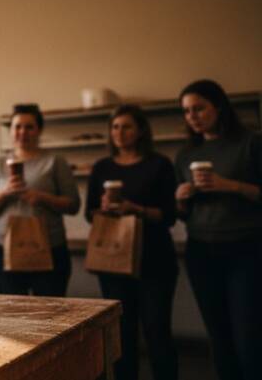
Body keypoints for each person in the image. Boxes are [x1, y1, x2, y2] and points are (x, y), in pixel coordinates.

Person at [174, 79, 262, 380]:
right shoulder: (186, 154)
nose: (192, 116)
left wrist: (230, 185)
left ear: (219, 107)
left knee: (248, 336)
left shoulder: (250, 143)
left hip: (246, 249)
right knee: (218, 336)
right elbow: (183, 215)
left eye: (199, 108)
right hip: (201, 250)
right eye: (186, 111)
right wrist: (181, 199)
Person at [85, 105, 179, 380]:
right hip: (113, 261)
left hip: (155, 260)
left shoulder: (159, 164)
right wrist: (104, 208)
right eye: (115, 127)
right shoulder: (102, 167)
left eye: (126, 126)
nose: (119, 132)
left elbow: (169, 216)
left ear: (140, 131)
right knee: (121, 334)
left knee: (157, 332)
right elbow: (90, 214)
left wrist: (135, 209)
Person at [0, 103, 80, 296]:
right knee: (11, 311)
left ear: (39, 130)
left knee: (50, 310)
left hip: (49, 248)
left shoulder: (54, 161)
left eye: (29, 127)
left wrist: (41, 197)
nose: (22, 132)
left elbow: (73, 205)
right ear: (10, 131)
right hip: (6, 249)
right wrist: (5, 192)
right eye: (17, 126)